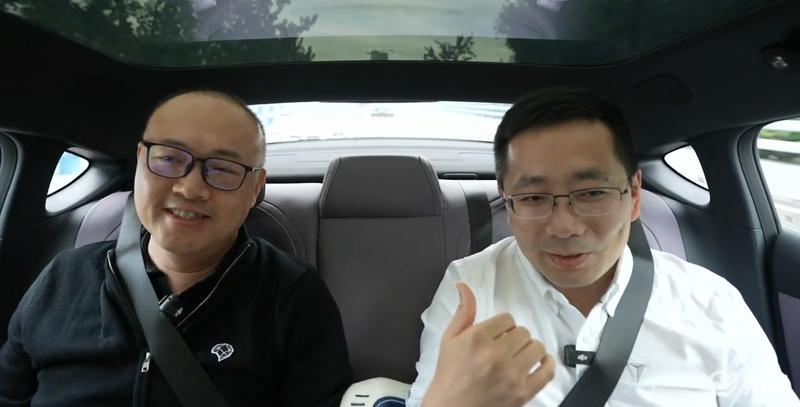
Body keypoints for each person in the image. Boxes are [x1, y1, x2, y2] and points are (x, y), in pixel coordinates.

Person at [407, 87, 800, 406]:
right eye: (533, 198)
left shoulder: (709, 302)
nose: (564, 227)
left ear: (634, 195)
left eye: (592, 193)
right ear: (508, 203)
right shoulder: (471, 288)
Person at [0, 89, 352, 406]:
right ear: (141, 160)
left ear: (255, 189)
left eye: (224, 169)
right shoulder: (64, 278)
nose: (190, 188)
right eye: (168, 159)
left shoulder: (292, 295)